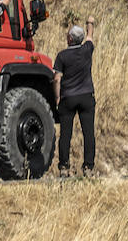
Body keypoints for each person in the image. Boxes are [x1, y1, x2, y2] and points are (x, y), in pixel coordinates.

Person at [53, 16, 97, 176]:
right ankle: (88, 167)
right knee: (88, 133)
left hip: (68, 97)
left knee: (65, 134)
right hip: (86, 96)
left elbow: (57, 79)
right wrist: (90, 23)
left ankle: (64, 167)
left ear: (70, 39)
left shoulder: (62, 56)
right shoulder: (87, 50)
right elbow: (90, 36)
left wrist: (57, 97)